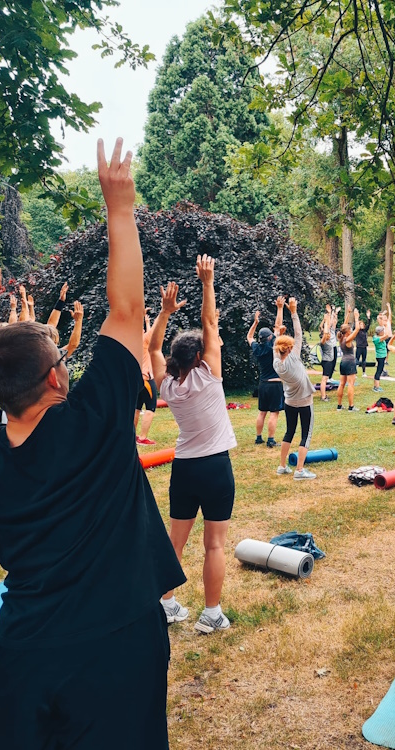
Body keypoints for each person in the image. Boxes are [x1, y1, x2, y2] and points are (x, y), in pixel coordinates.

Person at [0, 138, 186, 748]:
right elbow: (128, 309)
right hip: (119, 643)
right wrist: (119, 206)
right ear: (58, 377)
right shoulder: (93, 419)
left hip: (27, 649)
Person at [148, 261, 237, 632]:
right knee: (214, 544)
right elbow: (210, 324)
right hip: (215, 467)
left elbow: (152, 345)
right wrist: (208, 283)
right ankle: (212, 615)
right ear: (200, 357)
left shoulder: (167, 386)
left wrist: (165, 312)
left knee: (175, 540)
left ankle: (166, 604)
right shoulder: (209, 375)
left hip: (183, 468)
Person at [273, 297, 318, 480]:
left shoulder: (276, 362)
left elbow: (277, 333)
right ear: (290, 349)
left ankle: (282, 466)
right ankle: (299, 470)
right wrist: (293, 312)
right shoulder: (293, 357)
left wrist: (280, 309)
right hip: (305, 401)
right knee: (305, 434)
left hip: (290, 401)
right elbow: (298, 334)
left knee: (289, 431)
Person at [246, 297, 285, 447]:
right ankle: (270, 440)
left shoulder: (257, 348)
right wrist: (280, 308)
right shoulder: (273, 345)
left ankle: (258, 438)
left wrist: (255, 323)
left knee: (262, 412)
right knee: (274, 413)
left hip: (262, 384)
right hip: (275, 385)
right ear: (270, 337)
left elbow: (249, 336)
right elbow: (278, 325)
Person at [135, 310, 158, 445]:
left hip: (138, 379)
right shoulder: (143, 340)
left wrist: (146, 321)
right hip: (147, 378)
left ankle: (131, 435)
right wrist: (164, 310)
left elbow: (149, 340)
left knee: (137, 407)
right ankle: (143, 438)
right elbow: (154, 332)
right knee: (150, 408)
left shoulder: (134, 342)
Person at [336, 308, 360, 411]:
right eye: (349, 329)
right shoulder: (348, 339)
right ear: (348, 332)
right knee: (350, 384)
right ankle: (351, 406)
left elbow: (343, 327)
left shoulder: (341, 338)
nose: (351, 330)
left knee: (341, 384)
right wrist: (356, 317)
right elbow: (357, 329)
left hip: (343, 362)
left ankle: (339, 406)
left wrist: (348, 314)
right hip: (350, 362)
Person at [318, 305, 338, 401]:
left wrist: (332, 314)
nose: (329, 334)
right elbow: (326, 331)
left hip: (328, 361)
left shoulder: (329, 340)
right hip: (327, 362)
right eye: (328, 334)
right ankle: (323, 396)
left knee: (325, 379)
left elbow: (331, 326)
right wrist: (328, 316)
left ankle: (324, 395)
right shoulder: (324, 342)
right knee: (324, 379)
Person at [371, 315, 392, 392]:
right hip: (380, 357)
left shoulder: (377, 337)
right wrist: (386, 326)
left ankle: (376, 386)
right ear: (379, 332)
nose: (383, 332)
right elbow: (387, 335)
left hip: (381, 356)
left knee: (379, 370)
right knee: (379, 371)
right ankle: (376, 387)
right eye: (382, 331)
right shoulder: (377, 339)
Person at [356, 309, 370, 375]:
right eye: (360, 324)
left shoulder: (365, 330)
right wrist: (357, 318)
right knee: (357, 359)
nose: (361, 325)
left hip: (364, 347)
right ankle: (355, 372)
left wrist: (368, 317)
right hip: (359, 347)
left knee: (364, 360)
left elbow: (369, 325)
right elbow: (355, 326)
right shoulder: (357, 331)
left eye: (362, 324)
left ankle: (364, 372)